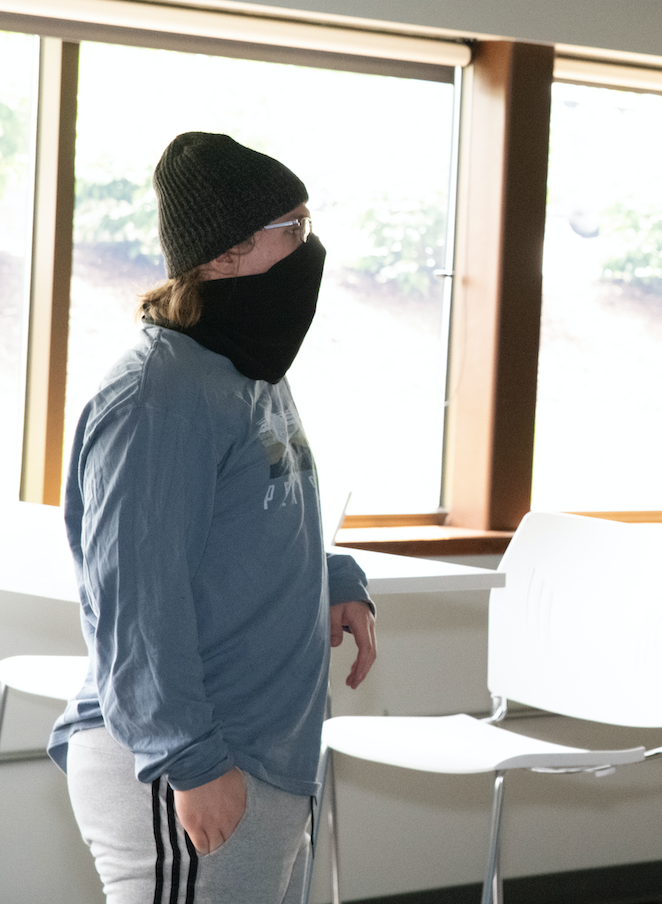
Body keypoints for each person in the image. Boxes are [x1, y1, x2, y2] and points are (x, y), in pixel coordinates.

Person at [48, 132, 378, 904]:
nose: (309, 249)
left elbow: (256, 510)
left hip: (259, 746)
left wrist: (334, 577)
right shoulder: (156, 397)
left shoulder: (245, 367)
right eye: (291, 230)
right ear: (225, 255)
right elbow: (134, 600)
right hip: (192, 759)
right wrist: (191, 760)